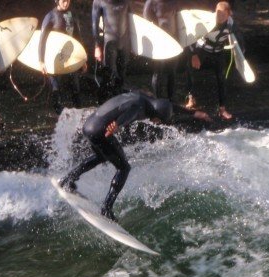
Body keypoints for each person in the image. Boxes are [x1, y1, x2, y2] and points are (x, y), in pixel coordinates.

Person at [58, 90, 212, 221]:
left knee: (102, 156)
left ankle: (68, 179)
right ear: (157, 114)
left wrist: (194, 113)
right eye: (158, 119)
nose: (156, 122)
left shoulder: (143, 97)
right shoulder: (139, 106)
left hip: (89, 126)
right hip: (102, 131)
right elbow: (131, 113)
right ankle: (106, 208)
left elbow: (169, 106)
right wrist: (118, 124)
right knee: (124, 168)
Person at [186, 1, 242, 120]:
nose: (219, 17)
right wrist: (194, 55)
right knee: (191, 69)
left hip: (218, 51)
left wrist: (240, 51)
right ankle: (191, 98)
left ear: (228, 14)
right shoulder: (207, 21)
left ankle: (222, 109)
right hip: (202, 48)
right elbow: (190, 37)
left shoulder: (231, 24)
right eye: (217, 13)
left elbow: (238, 39)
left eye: (222, 15)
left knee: (221, 78)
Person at [40, 0, 86, 114]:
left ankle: (79, 115)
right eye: (63, 1)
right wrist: (41, 61)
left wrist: (83, 59)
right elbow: (42, 40)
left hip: (71, 56)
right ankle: (58, 116)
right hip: (54, 58)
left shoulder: (71, 15)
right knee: (56, 88)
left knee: (75, 87)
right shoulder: (50, 16)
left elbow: (77, 37)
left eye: (68, 1)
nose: (66, 3)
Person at [92, 0, 131, 104]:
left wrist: (135, 46)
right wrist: (97, 46)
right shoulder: (99, 1)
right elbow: (94, 23)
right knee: (109, 76)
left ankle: (120, 107)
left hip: (125, 43)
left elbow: (132, 21)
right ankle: (105, 107)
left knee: (122, 77)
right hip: (109, 44)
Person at [143, 0, 181, 102]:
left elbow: (178, 22)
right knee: (158, 73)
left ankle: (171, 100)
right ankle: (157, 100)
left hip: (173, 43)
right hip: (158, 43)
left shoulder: (173, 2)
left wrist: (180, 42)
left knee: (172, 72)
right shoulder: (151, 3)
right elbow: (145, 25)